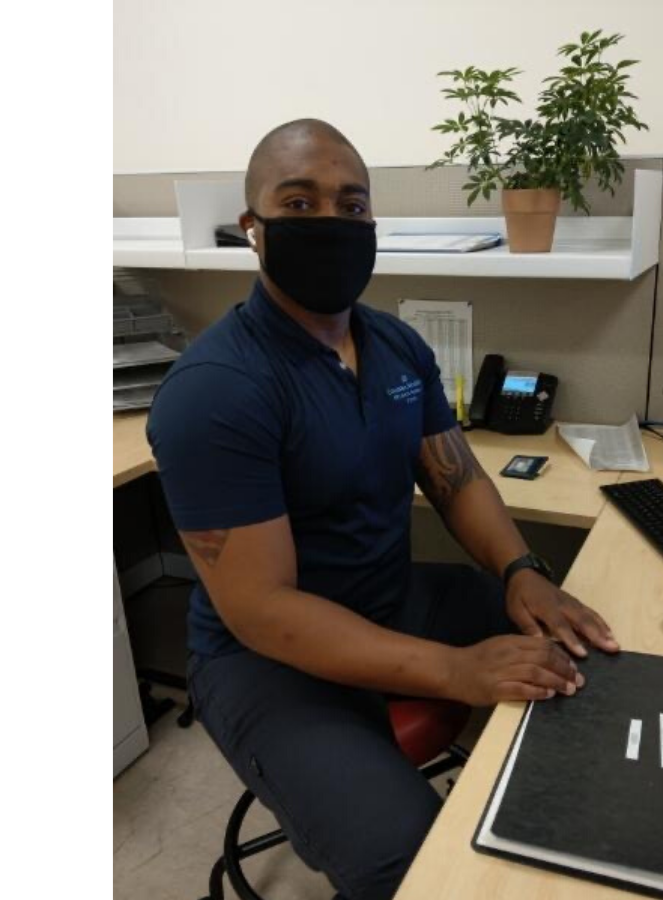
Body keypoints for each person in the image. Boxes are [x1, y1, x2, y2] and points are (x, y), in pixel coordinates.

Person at [147, 118, 619, 900]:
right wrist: (456, 671)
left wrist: (520, 571)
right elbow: (265, 611)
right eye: (298, 204)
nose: (329, 221)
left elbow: (455, 477)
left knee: (583, 642)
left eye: (351, 204)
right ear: (252, 230)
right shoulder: (216, 392)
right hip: (263, 663)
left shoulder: (396, 346)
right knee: (407, 860)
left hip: (390, 599)